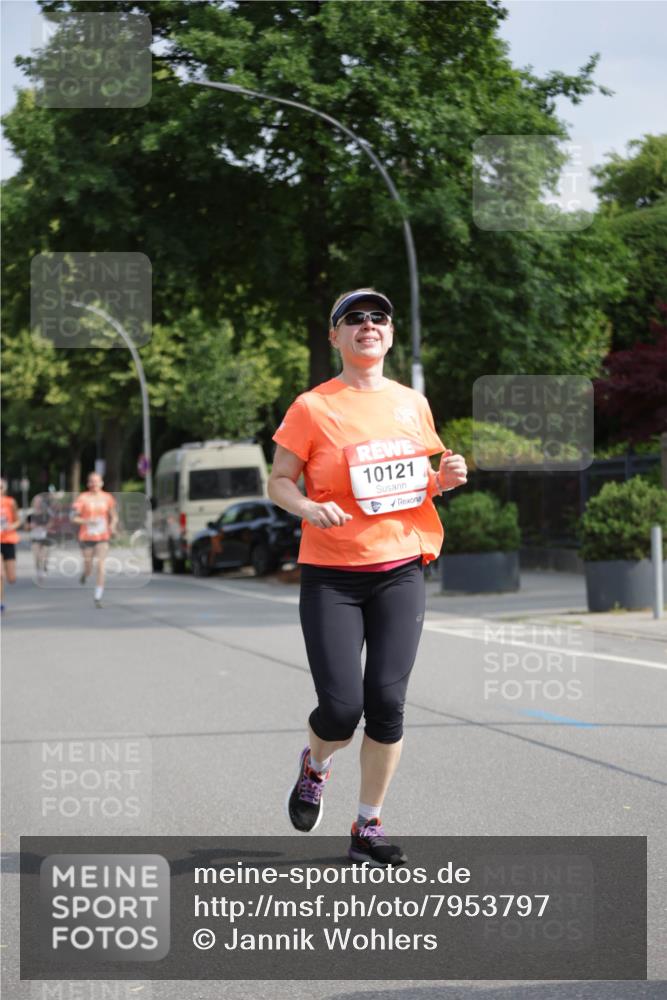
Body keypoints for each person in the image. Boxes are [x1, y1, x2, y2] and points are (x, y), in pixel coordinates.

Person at [268, 288, 467, 866]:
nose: (367, 325)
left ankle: (367, 826)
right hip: (331, 575)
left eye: (378, 316)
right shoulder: (313, 406)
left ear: (390, 333)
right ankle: (315, 765)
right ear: (335, 337)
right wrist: (305, 507)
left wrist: (444, 479)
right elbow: (279, 479)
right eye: (352, 319)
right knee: (340, 710)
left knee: (387, 703)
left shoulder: (412, 403)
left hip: (399, 568)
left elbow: (410, 482)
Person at [71, 472, 118, 608]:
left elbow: (114, 516)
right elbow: (73, 517)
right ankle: (85, 574)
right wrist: (87, 520)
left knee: (101, 565)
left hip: (103, 536)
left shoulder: (107, 498)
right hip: (86, 536)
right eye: (92, 481)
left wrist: (112, 525)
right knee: (89, 568)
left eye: (97, 481)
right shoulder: (82, 498)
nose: (94, 484)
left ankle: (98, 595)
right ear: (88, 483)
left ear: (101, 483)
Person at [0, 478, 22, 612]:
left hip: (8, 540)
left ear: (4, 489)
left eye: (0, 487)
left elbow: (18, 521)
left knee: (11, 578)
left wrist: (10, 526)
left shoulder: (10, 502)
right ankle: (0, 602)